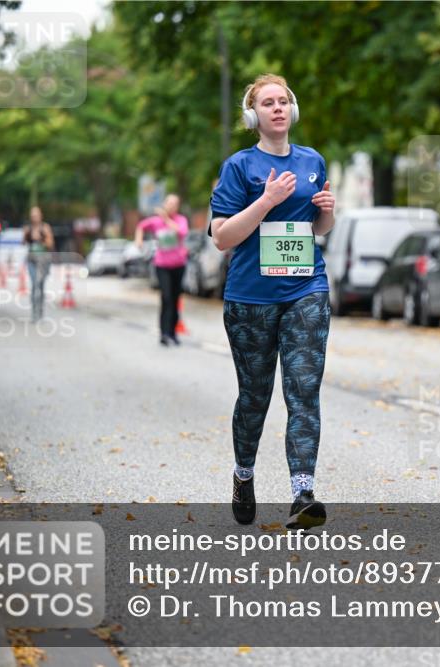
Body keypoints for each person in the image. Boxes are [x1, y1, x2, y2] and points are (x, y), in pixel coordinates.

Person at [209, 73, 335, 528]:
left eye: (284, 101)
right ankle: (244, 475)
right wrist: (266, 201)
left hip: (306, 290)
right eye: (268, 103)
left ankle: (303, 492)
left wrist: (327, 211)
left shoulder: (313, 160)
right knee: (255, 395)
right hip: (250, 299)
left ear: (292, 110)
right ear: (254, 115)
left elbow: (317, 229)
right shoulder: (239, 168)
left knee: (303, 392)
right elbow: (222, 237)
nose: (278, 108)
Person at [134, 194, 189, 346]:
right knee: (166, 297)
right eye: (169, 203)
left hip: (178, 265)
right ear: (165, 204)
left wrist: (166, 219)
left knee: (175, 298)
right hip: (162, 265)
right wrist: (138, 239)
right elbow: (141, 226)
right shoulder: (155, 221)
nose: (172, 206)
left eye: (175, 204)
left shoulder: (181, 220)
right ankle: (164, 333)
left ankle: (173, 332)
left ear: (178, 207)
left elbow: (181, 232)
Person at [23, 206, 55, 321]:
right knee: (34, 284)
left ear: (40, 216)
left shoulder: (45, 228)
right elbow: (23, 243)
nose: (34, 217)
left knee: (40, 286)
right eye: (32, 216)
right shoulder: (28, 228)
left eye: (36, 215)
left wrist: (40, 239)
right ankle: (34, 312)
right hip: (31, 260)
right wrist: (25, 236)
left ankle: (40, 310)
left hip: (43, 261)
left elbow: (50, 244)